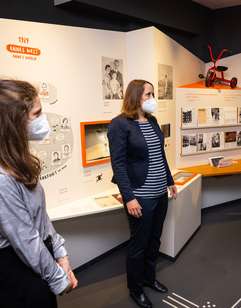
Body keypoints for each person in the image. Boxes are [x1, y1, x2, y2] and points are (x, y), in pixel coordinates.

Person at [0, 79, 77, 307]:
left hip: (37, 261)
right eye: (36, 114)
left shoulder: (15, 161)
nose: (43, 120)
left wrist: (61, 254)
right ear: (14, 122)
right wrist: (59, 278)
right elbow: (25, 241)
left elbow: (39, 216)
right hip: (16, 274)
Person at [108, 79, 177, 308]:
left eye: (153, 94)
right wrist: (129, 198)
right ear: (136, 96)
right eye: (148, 94)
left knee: (154, 240)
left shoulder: (153, 120)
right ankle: (136, 289)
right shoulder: (119, 124)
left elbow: (160, 154)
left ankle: (149, 279)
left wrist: (169, 180)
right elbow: (118, 164)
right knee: (138, 245)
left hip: (159, 194)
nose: (152, 99)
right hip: (141, 196)